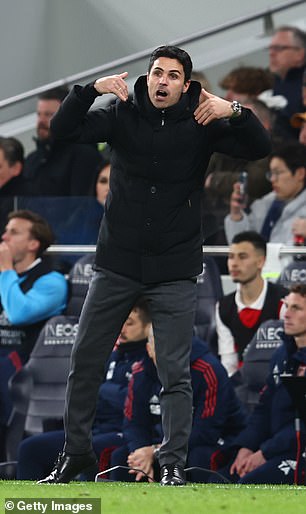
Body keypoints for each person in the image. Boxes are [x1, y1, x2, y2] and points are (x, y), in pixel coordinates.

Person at [38, 44, 270, 486]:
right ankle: (76, 455)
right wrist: (88, 91)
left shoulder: (204, 117)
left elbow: (258, 147)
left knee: (174, 371)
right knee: (84, 360)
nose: (162, 81)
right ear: (148, 78)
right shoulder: (121, 110)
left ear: (186, 84)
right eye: (157, 73)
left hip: (175, 264)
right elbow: (63, 129)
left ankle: (172, 463)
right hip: (117, 261)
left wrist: (233, 110)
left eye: (172, 76)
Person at [17, 299, 150, 480]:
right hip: (94, 429)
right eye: (120, 322)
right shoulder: (111, 357)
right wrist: (113, 391)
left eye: (130, 323)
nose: (122, 328)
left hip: (124, 433)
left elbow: (135, 400)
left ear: (148, 326)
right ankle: (33, 505)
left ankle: (88, 504)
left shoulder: (149, 361)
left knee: (87, 451)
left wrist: (104, 389)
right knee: (31, 448)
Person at [110, 333, 246, 483]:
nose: (167, 359)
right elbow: (133, 424)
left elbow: (206, 432)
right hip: (164, 442)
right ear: (149, 349)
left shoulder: (208, 370)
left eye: (172, 352)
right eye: (160, 351)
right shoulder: (140, 373)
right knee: (123, 458)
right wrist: (141, 453)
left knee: (198, 457)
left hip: (214, 441)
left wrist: (156, 452)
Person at [214, 284, 306, 485]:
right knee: (218, 478)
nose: (286, 314)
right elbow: (263, 409)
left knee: (249, 484)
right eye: (286, 306)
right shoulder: (281, 354)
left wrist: (265, 452)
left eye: (296, 308)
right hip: (275, 447)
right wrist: (246, 447)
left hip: (297, 450)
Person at [0, 210, 68, 458]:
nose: (4, 237)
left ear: (33, 244)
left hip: (25, 364)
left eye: (13, 232)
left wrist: (6, 270)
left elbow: (19, 313)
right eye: (6, 230)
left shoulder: (52, 281)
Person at [216, 231, 287, 376]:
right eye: (231, 257)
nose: (234, 263)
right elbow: (229, 363)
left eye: (242, 257)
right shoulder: (223, 307)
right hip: (243, 384)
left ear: (261, 262)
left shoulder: (284, 301)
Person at [225, 142, 306, 252]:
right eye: (271, 173)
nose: (273, 179)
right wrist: (237, 215)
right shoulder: (265, 204)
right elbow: (242, 249)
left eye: (278, 173)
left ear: (300, 174)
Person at [22, 86, 102, 196]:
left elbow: (83, 205)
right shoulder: (32, 159)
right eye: (39, 114)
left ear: (66, 116)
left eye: (49, 114)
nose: (41, 121)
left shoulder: (85, 156)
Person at [268, 26, 306, 140]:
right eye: (270, 48)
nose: (271, 53)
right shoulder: (274, 83)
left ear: (300, 54)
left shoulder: (303, 82)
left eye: (278, 48)